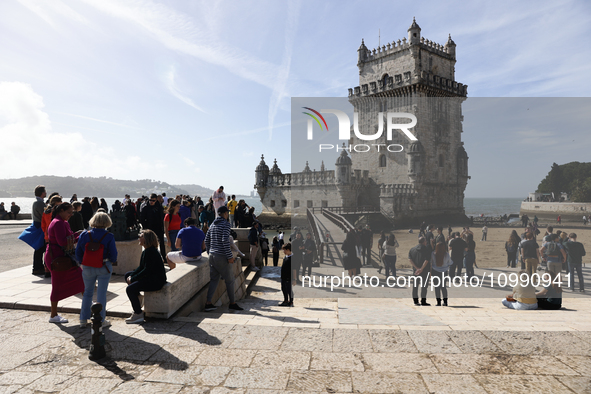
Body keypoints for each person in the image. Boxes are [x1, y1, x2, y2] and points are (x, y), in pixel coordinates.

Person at [76, 212, 117, 328]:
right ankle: (101, 320)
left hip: (88, 266)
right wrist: (112, 260)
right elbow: (113, 254)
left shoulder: (85, 234)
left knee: (87, 293)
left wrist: (82, 262)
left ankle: (83, 319)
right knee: (101, 294)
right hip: (103, 265)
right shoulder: (109, 236)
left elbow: (78, 251)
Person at [45, 203, 84, 323]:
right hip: (57, 259)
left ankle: (88, 303)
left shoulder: (62, 221)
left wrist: (81, 235)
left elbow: (69, 238)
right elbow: (62, 242)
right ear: (61, 211)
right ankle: (53, 315)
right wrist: (78, 234)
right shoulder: (58, 223)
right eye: (69, 212)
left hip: (61, 258)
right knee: (57, 286)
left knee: (81, 278)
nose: (71, 215)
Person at [204, 206, 243, 312]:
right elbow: (225, 240)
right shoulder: (226, 224)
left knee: (214, 280)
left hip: (212, 256)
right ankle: (232, 303)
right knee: (230, 280)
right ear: (225, 213)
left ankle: (208, 303)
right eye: (227, 213)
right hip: (221, 256)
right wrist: (230, 256)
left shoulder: (212, 224)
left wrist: (210, 252)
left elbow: (206, 240)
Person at [125, 230, 168, 324]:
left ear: (147, 239)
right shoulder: (147, 250)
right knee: (127, 275)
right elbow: (141, 267)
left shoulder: (150, 252)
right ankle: (139, 298)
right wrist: (131, 276)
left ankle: (138, 314)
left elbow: (146, 270)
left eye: (141, 236)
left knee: (130, 289)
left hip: (156, 281)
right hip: (151, 277)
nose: (139, 238)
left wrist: (133, 278)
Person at [140, 193, 166, 261]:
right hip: (150, 229)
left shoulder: (159, 207)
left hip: (159, 228)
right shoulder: (145, 207)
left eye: (153, 200)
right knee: (151, 245)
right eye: (150, 200)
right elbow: (142, 219)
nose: (151, 202)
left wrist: (163, 228)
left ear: (156, 200)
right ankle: (153, 259)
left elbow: (162, 218)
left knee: (162, 244)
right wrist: (145, 228)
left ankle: (164, 257)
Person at [409, 236, 431, 306]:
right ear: (424, 242)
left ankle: (415, 301)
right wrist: (421, 268)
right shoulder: (427, 250)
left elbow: (410, 259)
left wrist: (417, 268)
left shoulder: (412, 249)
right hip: (425, 270)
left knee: (415, 286)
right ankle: (423, 301)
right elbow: (427, 260)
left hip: (416, 271)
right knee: (424, 286)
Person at [32, 185, 48, 276]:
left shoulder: (37, 202)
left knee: (39, 248)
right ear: (42, 193)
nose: (46, 193)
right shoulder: (39, 203)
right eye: (45, 191)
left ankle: (38, 267)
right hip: (41, 228)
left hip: (38, 226)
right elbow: (45, 215)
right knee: (40, 248)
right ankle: (37, 267)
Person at [431, 242, 452, 306]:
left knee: (437, 287)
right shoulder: (447, 254)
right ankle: (445, 301)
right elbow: (450, 263)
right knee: (443, 287)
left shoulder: (433, 254)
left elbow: (431, 262)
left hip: (435, 271)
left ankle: (438, 302)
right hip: (444, 272)